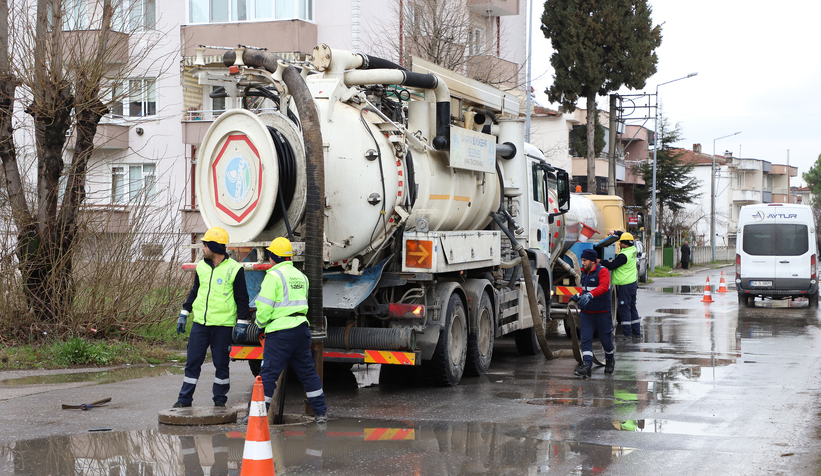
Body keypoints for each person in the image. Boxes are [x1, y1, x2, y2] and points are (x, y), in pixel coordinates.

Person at [174, 226, 250, 408]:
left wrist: (242, 323)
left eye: (205, 245)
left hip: (222, 326)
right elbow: (195, 291)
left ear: (214, 247)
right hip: (201, 324)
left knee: (221, 364)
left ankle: (220, 400)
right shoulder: (201, 266)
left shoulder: (235, 269)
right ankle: (184, 399)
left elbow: (242, 298)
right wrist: (185, 312)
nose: (203, 248)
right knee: (192, 362)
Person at [255, 237, 327, 425]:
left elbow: (263, 308)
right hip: (301, 331)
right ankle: (321, 413)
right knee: (308, 373)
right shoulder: (301, 276)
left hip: (280, 333)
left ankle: (257, 416)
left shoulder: (273, 276)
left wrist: (260, 324)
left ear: (272, 256)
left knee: (269, 374)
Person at [571, 248, 615, 377]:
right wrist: (578, 295)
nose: (582, 263)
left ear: (593, 261)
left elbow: (603, 286)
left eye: (585, 260)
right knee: (585, 339)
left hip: (602, 312)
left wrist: (590, 295)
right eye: (582, 260)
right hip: (587, 313)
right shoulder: (584, 272)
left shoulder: (603, 271)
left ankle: (610, 359)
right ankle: (587, 365)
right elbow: (585, 290)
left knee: (605, 340)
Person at [602, 232, 641, 340]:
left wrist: (600, 261)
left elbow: (612, 265)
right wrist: (616, 233)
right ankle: (636, 332)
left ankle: (627, 334)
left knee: (624, 309)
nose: (619, 244)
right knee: (632, 307)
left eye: (621, 242)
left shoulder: (624, 255)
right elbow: (626, 235)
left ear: (625, 244)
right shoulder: (633, 249)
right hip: (632, 283)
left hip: (625, 285)